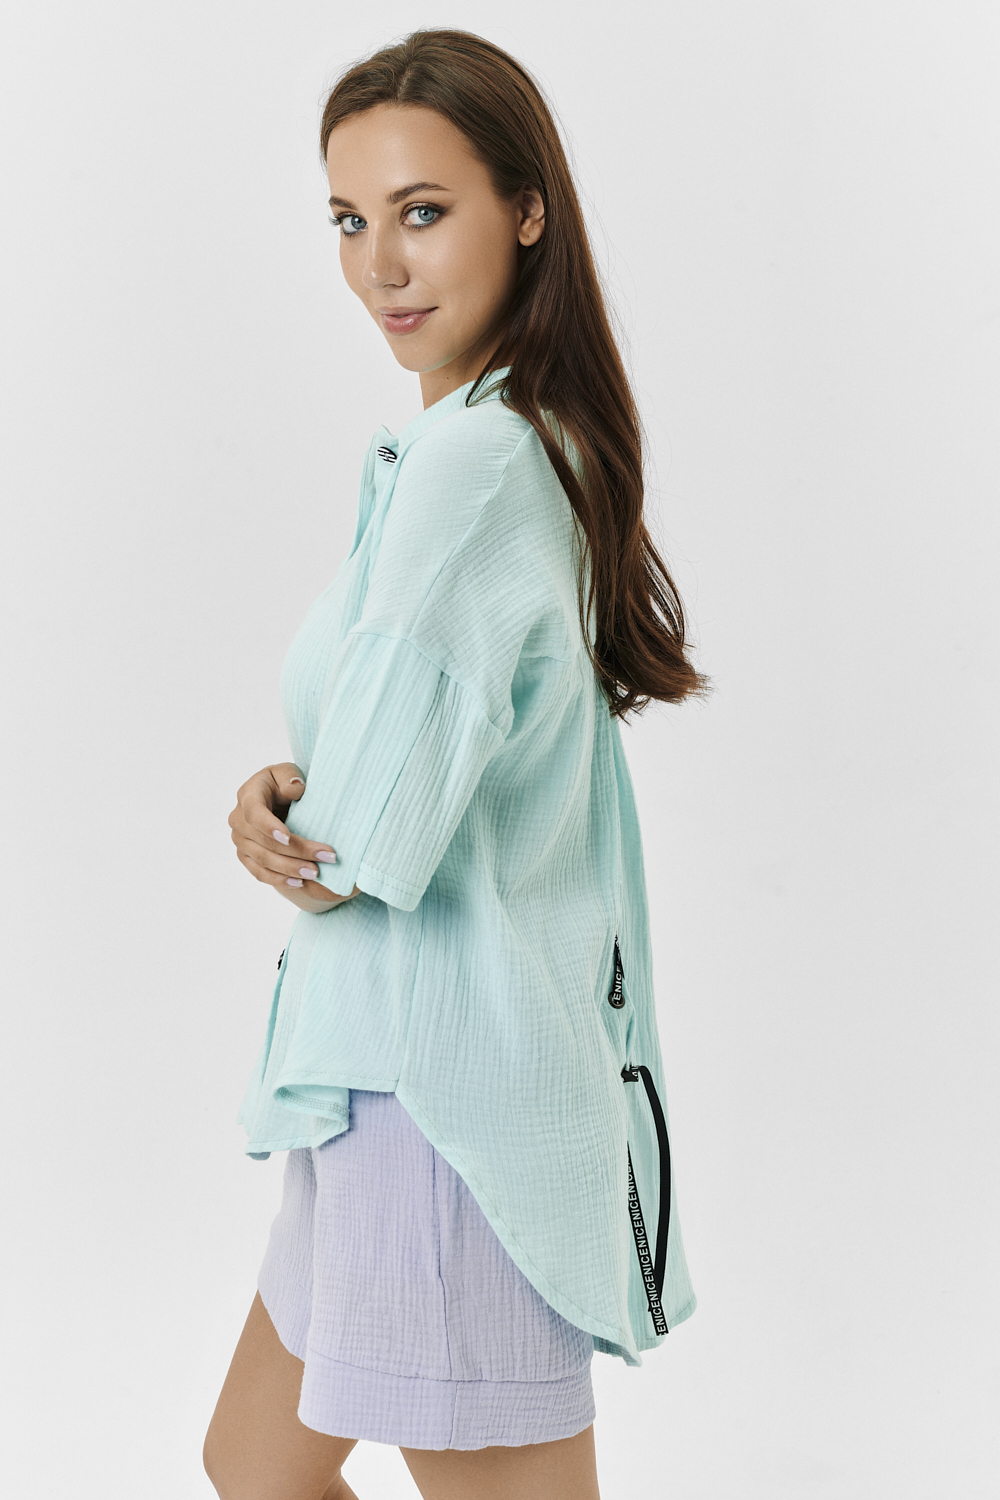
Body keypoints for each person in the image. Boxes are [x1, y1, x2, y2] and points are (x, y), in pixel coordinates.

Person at [203, 28, 705, 1500]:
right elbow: (391, 776)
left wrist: (295, 826)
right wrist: (292, 796)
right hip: (390, 1080)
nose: (381, 266)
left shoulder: (479, 470)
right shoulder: (487, 447)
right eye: (350, 221)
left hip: (444, 1106)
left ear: (526, 209)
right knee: (256, 1464)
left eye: (422, 212)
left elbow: (367, 847)